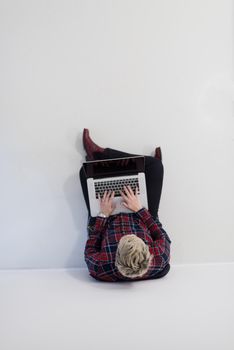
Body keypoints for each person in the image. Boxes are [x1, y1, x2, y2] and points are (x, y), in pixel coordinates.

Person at [79, 128, 171, 282]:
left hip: (107, 217)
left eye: (123, 238)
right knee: (155, 166)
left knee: (84, 172)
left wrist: (102, 215)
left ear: (117, 255)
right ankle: (137, 169)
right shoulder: (159, 258)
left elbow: (91, 245)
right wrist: (140, 209)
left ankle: (99, 157)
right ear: (148, 252)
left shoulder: (99, 266)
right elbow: (160, 235)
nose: (127, 233)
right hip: (140, 214)